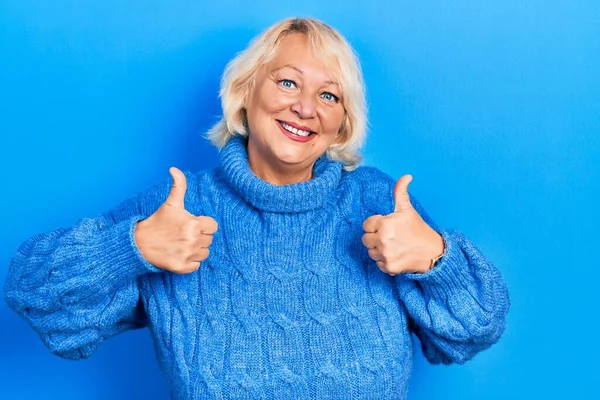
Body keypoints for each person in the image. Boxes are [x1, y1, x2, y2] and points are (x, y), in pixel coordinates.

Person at [4, 17, 510, 399]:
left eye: (329, 95)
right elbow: (34, 295)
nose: (306, 107)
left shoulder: (379, 204)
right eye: (288, 82)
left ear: (343, 123)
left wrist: (437, 261)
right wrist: (130, 247)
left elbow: (475, 330)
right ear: (245, 93)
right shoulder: (178, 212)